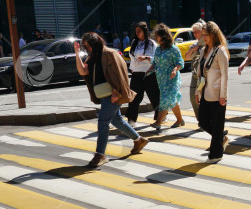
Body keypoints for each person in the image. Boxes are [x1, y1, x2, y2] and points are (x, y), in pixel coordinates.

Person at [74, 32, 148, 168]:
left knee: (103, 122)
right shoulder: (92, 56)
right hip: (103, 94)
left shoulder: (109, 53)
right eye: (84, 46)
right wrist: (77, 53)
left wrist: (118, 92)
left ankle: (100, 154)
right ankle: (139, 140)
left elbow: (121, 73)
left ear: (93, 43)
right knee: (117, 120)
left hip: (112, 95)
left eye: (87, 45)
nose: (87, 48)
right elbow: (83, 72)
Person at [194, 21, 230, 163]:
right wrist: (198, 92)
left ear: (214, 34)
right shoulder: (204, 50)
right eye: (203, 35)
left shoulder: (220, 51)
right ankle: (221, 138)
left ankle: (216, 154)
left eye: (206, 35)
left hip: (217, 94)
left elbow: (225, 75)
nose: (204, 38)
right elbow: (200, 73)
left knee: (217, 124)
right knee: (203, 122)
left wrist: (223, 96)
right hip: (205, 92)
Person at [149, 24, 186, 130]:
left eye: (158, 36)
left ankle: (158, 122)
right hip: (161, 80)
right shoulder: (158, 49)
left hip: (171, 79)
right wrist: (149, 67)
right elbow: (155, 62)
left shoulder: (174, 49)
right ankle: (180, 120)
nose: (156, 38)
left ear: (164, 36)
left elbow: (180, 63)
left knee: (165, 100)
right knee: (172, 100)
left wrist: (175, 69)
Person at [125, 22, 158, 126]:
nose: (137, 33)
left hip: (148, 73)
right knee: (134, 97)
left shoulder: (151, 43)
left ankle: (160, 117)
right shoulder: (134, 42)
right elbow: (132, 57)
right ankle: (131, 120)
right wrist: (132, 68)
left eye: (139, 31)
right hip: (136, 74)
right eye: (136, 31)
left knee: (154, 96)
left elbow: (156, 58)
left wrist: (146, 57)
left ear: (145, 31)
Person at [184, 20, 207, 120]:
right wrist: (192, 50)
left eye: (196, 31)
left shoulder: (207, 44)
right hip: (195, 75)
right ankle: (200, 119)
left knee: (203, 98)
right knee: (193, 97)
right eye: (193, 32)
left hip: (203, 77)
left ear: (202, 31)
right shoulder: (194, 45)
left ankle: (205, 120)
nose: (194, 34)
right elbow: (187, 57)